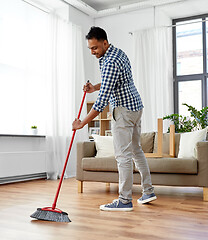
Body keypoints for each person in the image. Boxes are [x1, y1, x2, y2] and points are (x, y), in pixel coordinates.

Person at [72, 26, 156, 212]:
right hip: (136, 107)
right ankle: (148, 191)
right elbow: (113, 81)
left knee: (122, 156)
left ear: (104, 42)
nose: (93, 52)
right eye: (90, 49)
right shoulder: (118, 53)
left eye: (95, 48)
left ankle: (125, 200)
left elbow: (102, 103)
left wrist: (82, 123)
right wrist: (94, 87)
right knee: (136, 150)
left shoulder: (109, 62)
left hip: (124, 110)